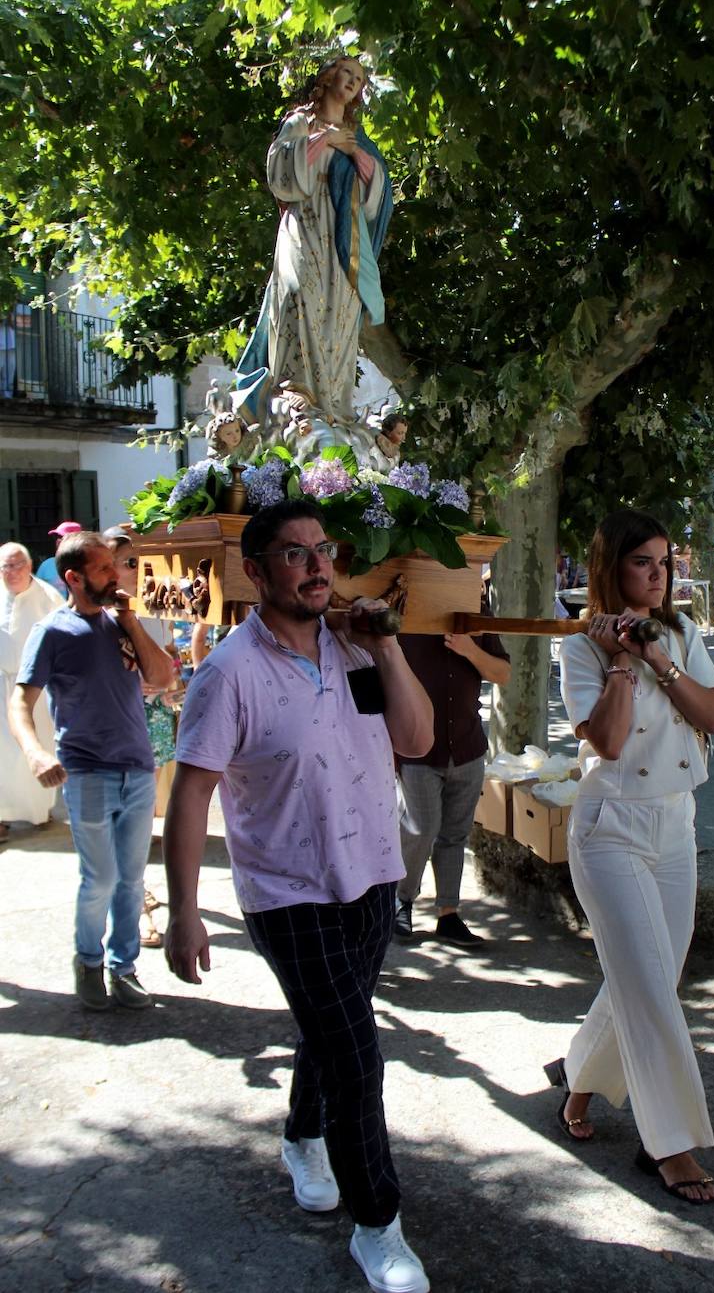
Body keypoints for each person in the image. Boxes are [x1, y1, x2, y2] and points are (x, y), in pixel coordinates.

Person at [162, 499, 433, 1293]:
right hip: (288, 892)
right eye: (294, 554)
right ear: (255, 571)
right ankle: (377, 1225)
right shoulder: (228, 675)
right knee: (357, 1056)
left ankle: (301, 1133)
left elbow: (414, 741)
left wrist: (385, 649)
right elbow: (190, 794)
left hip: (373, 875)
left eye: (324, 552)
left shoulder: (354, 650)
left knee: (331, 1030)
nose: (317, 566)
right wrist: (183, 912)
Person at [547, 508, 714, 1206]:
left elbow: (710, 716)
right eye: (640, 563)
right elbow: (610, 744)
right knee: (649, 986)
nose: (656, 575)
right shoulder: (581, 648)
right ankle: (672, 1146)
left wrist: (658, 657)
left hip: (675, 824)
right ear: (610, 568)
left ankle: (579, 1079)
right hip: (610, 827)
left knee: (653, 973)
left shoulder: (680, 631)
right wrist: (621, 661)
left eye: (662, 562)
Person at [9, 532, 174, 1010]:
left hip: (138, 769)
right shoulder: (52, 632)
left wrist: (131, 622)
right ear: (73, 578)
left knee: (130, 878)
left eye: (114, 566)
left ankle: (124, 970)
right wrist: (36, 753)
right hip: (87, 772)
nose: (115, 575)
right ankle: (88, 961)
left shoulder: (122, 623)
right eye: (104, 569)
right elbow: (20, 701)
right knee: (99, 878)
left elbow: (163, 678)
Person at [266, 56, 394, 432]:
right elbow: (281, 172)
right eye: (347, 73)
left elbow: (378, 196)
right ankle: (296, 389)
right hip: (304, 226)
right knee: (299, 293)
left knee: (339, 310)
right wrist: (324, 141)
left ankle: (335, 403)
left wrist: (355, 154)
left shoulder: (359, 138)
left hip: (342, 238)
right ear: (328, 78)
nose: (353, 81)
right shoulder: (300, 123)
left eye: (359, 78)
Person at [394, 613, 511, 946]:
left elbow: (503, 673)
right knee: (420, 829)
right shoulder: (406, 617)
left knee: (455, 835)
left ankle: (448, 914)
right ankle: (401, 901)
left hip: (467, 748)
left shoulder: (476, 615)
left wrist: (469, 649)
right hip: (418, 751)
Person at [104, 526, 183, 948]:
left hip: (150, 716)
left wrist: (169, 680)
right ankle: (132, 903)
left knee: (141, 809)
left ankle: (136, 886)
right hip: (115, 719)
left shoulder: (154, 603)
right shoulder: (99, 611)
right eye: (129, 562)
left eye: (141, 560)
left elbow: (168, 658)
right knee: (121, 812)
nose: (139, 569)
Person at [0, 542, 62, 840]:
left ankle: (38, 810)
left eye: (16, 565)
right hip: (1, 684)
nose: (10, 572)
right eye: (5, 566)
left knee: (37, 746)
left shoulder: (48, 597)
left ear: (28, 566)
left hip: (36, 689)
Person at [34, 520, 83, 597]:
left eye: (62, 538)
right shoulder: (46, 565)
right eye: (56, 537)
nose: (58, 541)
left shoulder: (88, 565)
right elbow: (35, 592)